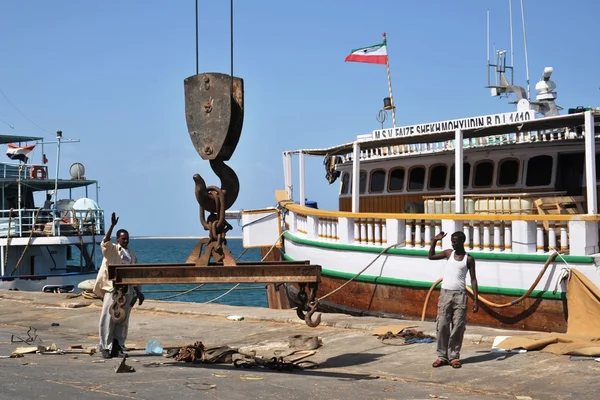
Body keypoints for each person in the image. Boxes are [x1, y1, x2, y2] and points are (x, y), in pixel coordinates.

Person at [93, 212, 144, 359]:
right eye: (123, 238)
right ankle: (105, 346)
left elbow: (133, 275)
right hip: (112, 289)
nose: (126, 241)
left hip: (127, 291)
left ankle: (118, 345)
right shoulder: (112, 250)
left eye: (127, 238)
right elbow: (105, 242)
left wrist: (138, 292)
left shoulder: (132, 255)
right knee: (107, 318)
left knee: (122, 320)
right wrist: (112, 226)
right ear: (118, 239)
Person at [428, 231, 478, 369]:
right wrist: (434, 240)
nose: (453, 243)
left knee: (458, 327)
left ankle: (454, 357)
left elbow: (473, 279)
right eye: (452, 241)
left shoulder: (469, 259)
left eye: (455, 241)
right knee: (443, 325)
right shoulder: (448, 253)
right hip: (445, 294)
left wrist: (476, 299)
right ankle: (442, 356)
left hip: (460, 295)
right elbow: (430, 256)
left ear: (462, 241)